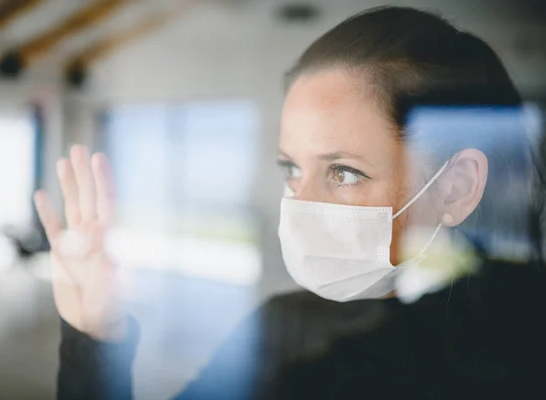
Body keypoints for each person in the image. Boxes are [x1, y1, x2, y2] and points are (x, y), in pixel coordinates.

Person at [33, 6, 546, 400]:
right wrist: (94, 336)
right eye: (292, 169)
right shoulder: (284, 326)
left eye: (343, 171)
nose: (300, 205)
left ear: (455, 186)